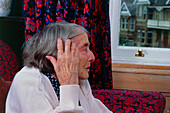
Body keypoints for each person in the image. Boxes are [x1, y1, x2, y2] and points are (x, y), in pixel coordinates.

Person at [5, 21, 112, 113]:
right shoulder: (27, 80)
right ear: (60, 53)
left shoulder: (80, 80)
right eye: (84, 49)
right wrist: (68, 85)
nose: (92, 57)